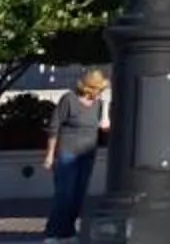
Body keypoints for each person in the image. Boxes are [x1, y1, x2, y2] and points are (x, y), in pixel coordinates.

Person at [41, 70, 108, 239]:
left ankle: (68, 231)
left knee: (78, 195)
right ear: (89, 88)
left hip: (87, 155)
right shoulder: (69, 100)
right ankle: (53, 233)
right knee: (65, 195)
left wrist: (106, 117)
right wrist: (50, 155)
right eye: (98, 89)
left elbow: (101, 127)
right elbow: (54, 126)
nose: (100, 93)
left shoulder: (98, 105)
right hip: (68, 153)